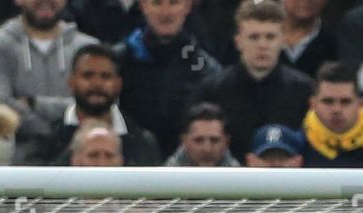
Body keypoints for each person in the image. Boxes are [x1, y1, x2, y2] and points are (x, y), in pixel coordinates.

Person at [190, 0, 312, 158]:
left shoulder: (304, 90)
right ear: (238, 41)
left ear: (283, 40)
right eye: (254, 37)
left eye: (270, 37)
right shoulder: (211, 91)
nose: (262, 45)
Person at [0, 0, 97, 147]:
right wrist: (54, 132)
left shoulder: (89, 49)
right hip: (12, 160)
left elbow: (97, 106)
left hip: (78, 157)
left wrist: (34, 103)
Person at [20, 42, 161, 165]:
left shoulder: (143, 143)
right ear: (71, 82)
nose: (97, 84)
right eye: (88, 76)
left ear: (119, 84)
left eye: (105, 76)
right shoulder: (45, 140)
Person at [114, 0, 219, 155]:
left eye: (173, 3)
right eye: (157, 3)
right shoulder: (119, 61)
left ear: (187, 6)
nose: (166, 12)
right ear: (143, 6)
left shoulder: (205, 69)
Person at [164, 103, 238, 167]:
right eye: (198, 140)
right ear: (184, 141)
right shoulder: (164, 180)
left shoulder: (240, 179)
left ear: (227, 142)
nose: (207, 149)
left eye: (214, 140)